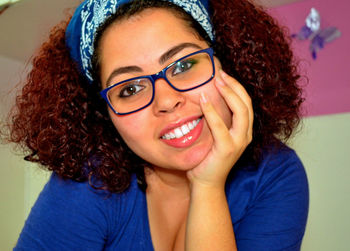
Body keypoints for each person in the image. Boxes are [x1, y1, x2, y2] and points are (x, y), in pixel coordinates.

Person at [5, 0, 308, 250]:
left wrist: (207, 186)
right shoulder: (91, 180)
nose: (166, 100)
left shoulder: (275, 175)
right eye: (130, 89)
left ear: (227, 61)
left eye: (184, 65)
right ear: (106, 115)